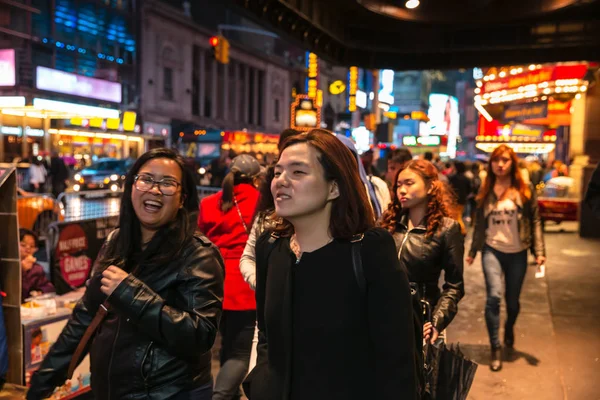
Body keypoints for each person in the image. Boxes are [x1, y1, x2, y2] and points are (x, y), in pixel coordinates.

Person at [28, 148, 225, 400]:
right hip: (109, 390)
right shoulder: (116, 242)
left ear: (182, 198)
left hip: (170, 394)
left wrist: (131, 294)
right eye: (146, 179)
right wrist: (42, 382)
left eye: (167, 183)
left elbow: (200, 335)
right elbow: (85, 318)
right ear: (132, 186)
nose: (154, 189)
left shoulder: (199, 255)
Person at [244, 129, 417, 400]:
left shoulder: (369, 250)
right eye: (278, 172)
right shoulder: (270, 247)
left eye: (298, 172)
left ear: (334, 187)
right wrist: (261, 384)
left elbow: (397, 361)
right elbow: (267, 335)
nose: (281, 181)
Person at [466, 144, 545, 372]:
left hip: (518, 251)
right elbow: (480, 223)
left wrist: (539, 252)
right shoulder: (486, 188)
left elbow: (536, 220)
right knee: (493, 297)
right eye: (496, 160)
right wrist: (472, 251)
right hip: (492, 249)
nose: (500, 165)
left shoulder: (524, 188)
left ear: (513, 163)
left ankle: (509, 327)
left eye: (505, 160)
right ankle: (495, 347)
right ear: (491, 164)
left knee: (513, 301)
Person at [380, 160, 464, 346]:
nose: (402, 190)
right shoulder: (389, 224)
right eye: (399, 185)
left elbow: (454, 286)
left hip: (420, 320)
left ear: (430, 186)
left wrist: (436, 322)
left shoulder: (447, 229)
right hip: (383, 315)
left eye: (409, 183)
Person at [198, 154, 261, 400]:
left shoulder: (209, 202)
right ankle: (221, 396)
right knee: (240, 353)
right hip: (244, 286)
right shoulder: (261, 201)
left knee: (226, 346)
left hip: (213, 283)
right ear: (257, 179)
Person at [20, 229, 55, 303]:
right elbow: (19, 294)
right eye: (23, 245)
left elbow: (49, 287)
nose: (28, 248)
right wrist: (22, 270)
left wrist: (40, 292)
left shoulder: (36, 268)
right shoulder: (8, 267)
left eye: (32, 246)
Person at [448, 161, 471, 235]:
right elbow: (469, 190)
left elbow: (449, 188)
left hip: (454, 199)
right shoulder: (466, 178)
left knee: (457, 216)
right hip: (463, 200)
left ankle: (462, 230)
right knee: (458, 215)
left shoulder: (452, 178)